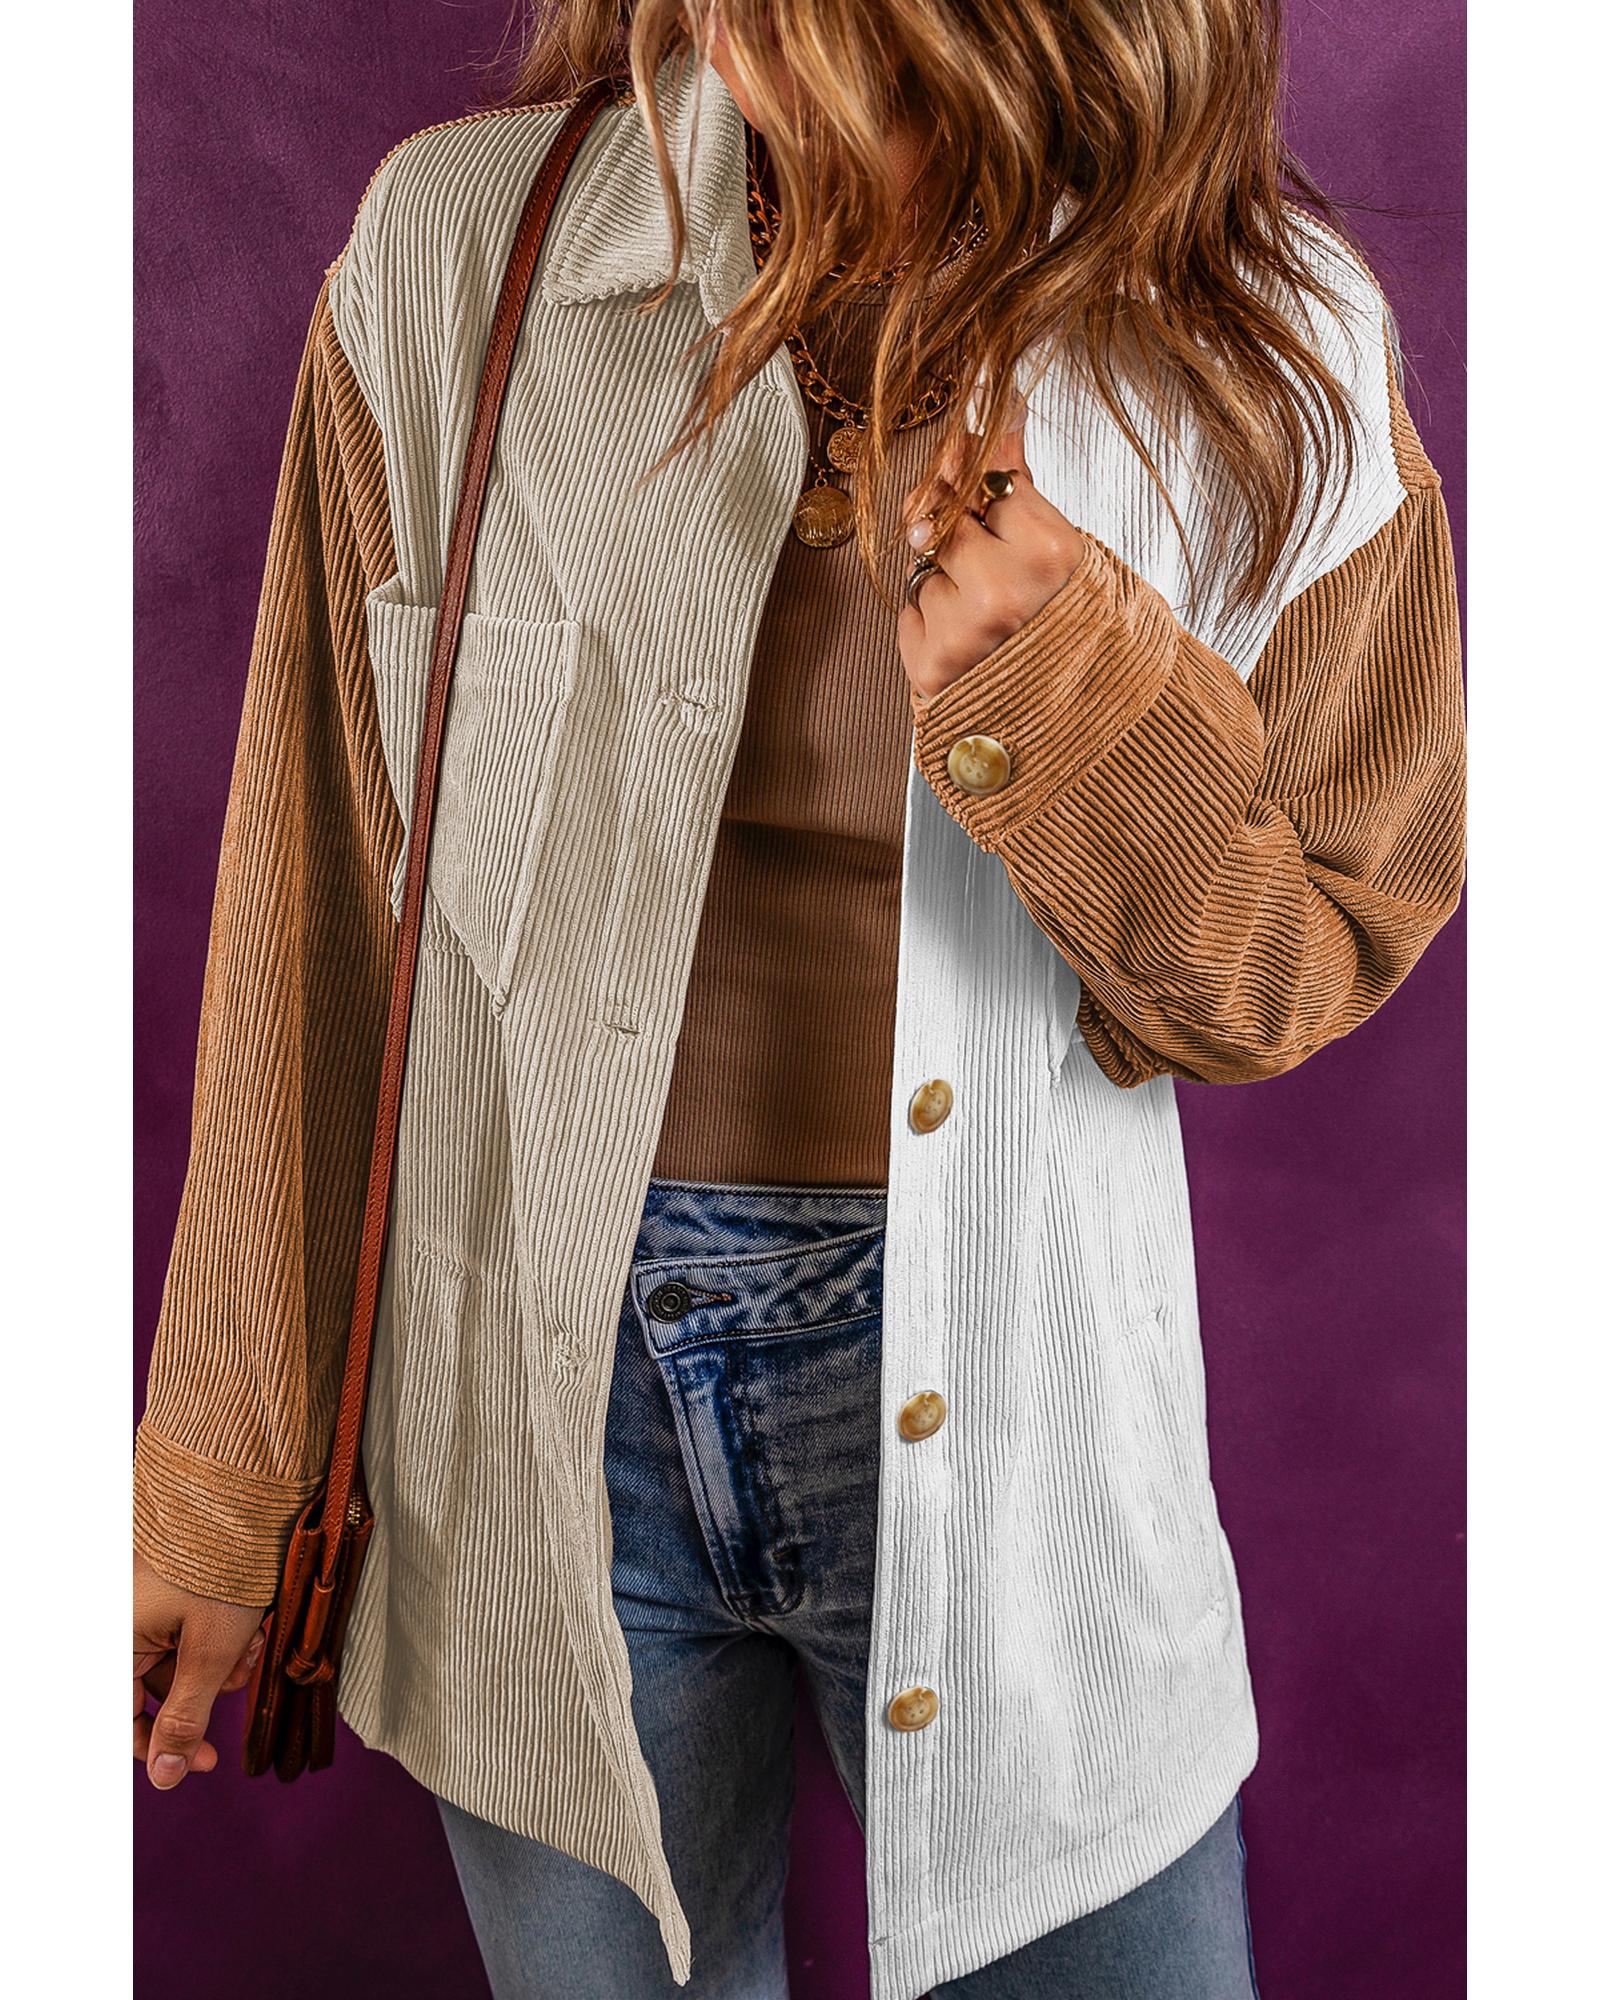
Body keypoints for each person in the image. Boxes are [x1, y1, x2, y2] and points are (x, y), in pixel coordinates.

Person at [132, 4, 1466, 1995]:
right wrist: (222, 1478)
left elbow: (1300, 964)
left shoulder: (1273, 345)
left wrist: (1078, 706)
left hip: (1026, 1413)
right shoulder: (453, 251)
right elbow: (319, 904)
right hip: (528, 1425)